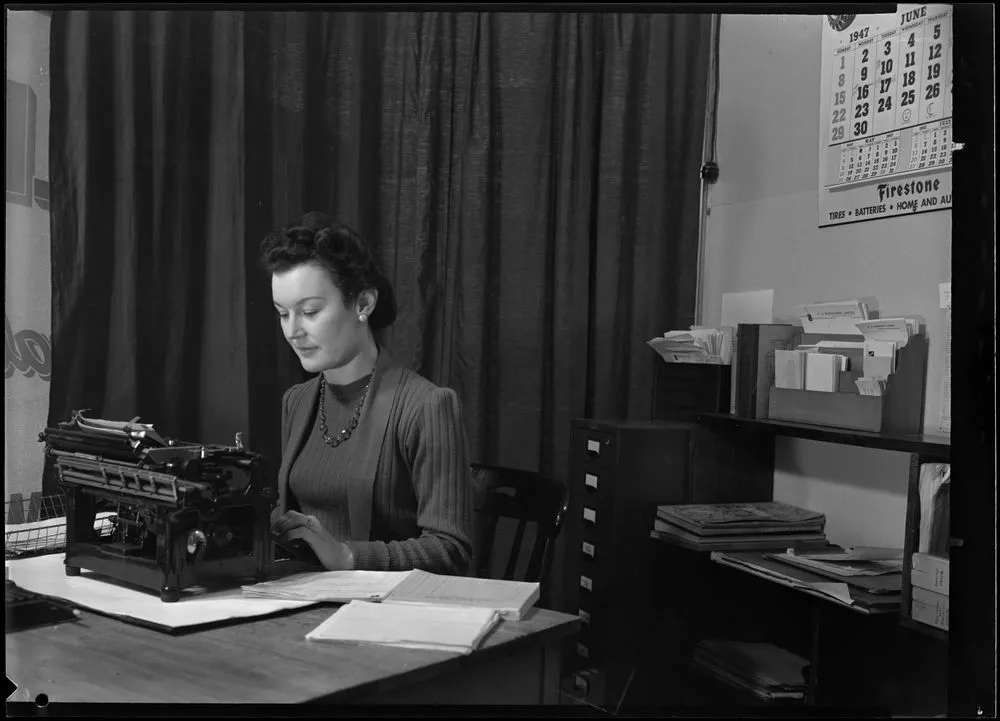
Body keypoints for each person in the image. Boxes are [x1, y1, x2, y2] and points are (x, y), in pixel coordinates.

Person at [259, 212, 473, 576]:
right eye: (283, 314)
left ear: (363, 304)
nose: (293, 331)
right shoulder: (296, 401)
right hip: (298, 603)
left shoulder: (427, 407)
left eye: (309, 311)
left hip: (379, 615)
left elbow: (450, 550)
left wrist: (347, 556)